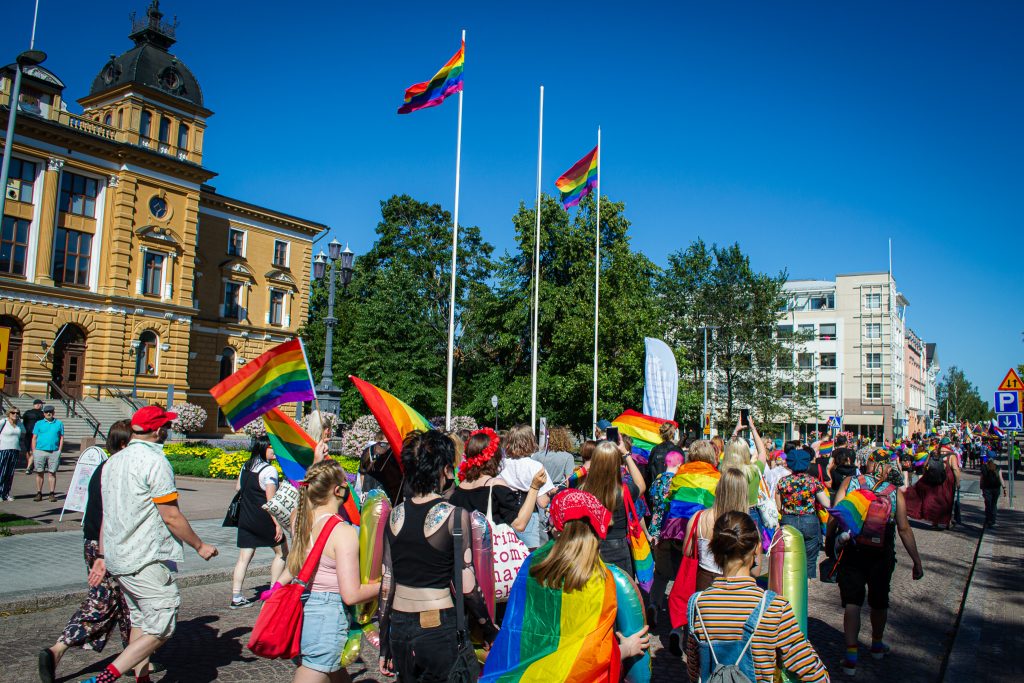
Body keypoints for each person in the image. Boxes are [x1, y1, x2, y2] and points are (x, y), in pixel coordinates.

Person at [79, 406, 218, 683]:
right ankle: (105, 678)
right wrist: (199, 545)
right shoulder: (155, 462)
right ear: (157, 430)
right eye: (165, 425)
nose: (167, 430)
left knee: (140, 620)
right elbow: (171, 515)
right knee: (163, 623)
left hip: (119, 556)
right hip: (144, 557)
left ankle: (142, 679)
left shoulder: (112, 462)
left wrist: (103, 555)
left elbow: (108, 513)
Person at [480, 489, 651, 680]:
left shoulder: (532, 565)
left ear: (555, 527)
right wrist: (625, 649)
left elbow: (516, 635)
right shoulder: (598, 580)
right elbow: (586, 657)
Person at [378, 430, 497, 680]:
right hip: (437, 624)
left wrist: (385, 640)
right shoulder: (454, 517)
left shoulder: (394, 516)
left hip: (400, 625)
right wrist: (487, 627)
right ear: (445, 470)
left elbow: (387, 582)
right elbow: (467, 585)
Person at [40, 421, 151, 683]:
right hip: (109, 546)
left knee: (127, 604)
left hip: (96, 542)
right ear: (125, 444)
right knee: (105, 603)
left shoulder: (106, 467)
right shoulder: (117, 469)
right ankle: (58, 649)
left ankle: (137, 662)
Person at [686, 511, 830, 683]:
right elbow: (813, 672)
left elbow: (694, 671)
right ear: (757, 548)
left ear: (716, 548)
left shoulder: (697, 604)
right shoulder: (774, 607)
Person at [286, 459, 380, 683]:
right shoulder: (342, 531)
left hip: (306, 606)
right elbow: (351, 594)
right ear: (338, 490)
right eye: (346, 485)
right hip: (328, 614)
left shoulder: (300, 520)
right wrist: (386, 583)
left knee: (333, 672)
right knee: (313, 670)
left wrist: (318, 463)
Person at [832, 448, 924, 676]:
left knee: (852, 602)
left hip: (853, 551)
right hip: (881, 553)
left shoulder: (850, 483)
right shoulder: (894, 492)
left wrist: (830, 543)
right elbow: (904, 529)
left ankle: (851, 655)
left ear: (867, 463)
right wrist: (917, 561)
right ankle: (876, 644)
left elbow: (837, 514)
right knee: (879, 600)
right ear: (889, 466)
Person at [229, 437, 288, 610]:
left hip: (246, 517)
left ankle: (236, 596)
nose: (275, 451)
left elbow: (238, 488)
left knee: (243, 558)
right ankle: (273, 592)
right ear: (263, 448)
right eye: (272, 447)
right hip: (264, 518)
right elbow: (271, 501)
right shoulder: (269, 471)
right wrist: (277, 524)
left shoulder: (246, 466)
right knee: (282, 553)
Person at [449, 427, 546, 532]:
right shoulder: (496, 486)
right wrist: (534, 487)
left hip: (467, 547)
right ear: (495, 456)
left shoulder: (458, 489)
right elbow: (519, 524)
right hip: (491, 546)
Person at [582, 439, 646, 576]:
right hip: (619, 548)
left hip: (591, 547)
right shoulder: (625, 491)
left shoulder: (584, 490)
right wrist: (626, 454)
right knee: (620, 593)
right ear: (617, 464)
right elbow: (641, 485)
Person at [774, 448, 831, 579]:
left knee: (789, 555)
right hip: (809, 520)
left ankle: (790, 584)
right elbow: (827, 503)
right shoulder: (813, 481)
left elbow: (778, 506)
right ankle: (806, 585)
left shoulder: (783, 482)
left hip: (788, 521)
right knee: (810, 559)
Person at [498, 425, 555, 549]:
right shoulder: (535, 466)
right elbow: (542, 502)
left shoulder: (501, 464)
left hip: (504, 513)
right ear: (530, 442)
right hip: (528, 516)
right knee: (529, 557)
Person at [647, 450, 684, 625]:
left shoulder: (658, 479)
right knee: (677, 571)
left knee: (659, 571)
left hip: (655, 524)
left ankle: (654, 602)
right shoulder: (677, 482)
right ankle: (675, 607)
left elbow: (651, 497)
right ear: (679, 464)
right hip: (670, 526)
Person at [903, 438, 961, 529]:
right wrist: (958, 482)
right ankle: (947, 522)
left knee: (934, 500)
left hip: (934, 478)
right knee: (947, 501)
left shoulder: (933, 452)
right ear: (949, 444)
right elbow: (955, 469)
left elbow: (925, 465)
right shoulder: (952, 455)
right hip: (947, 481)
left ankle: (935, 523)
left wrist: (928, 474)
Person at [32, 405, 64, 502]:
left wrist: (59, 450)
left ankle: (51, 493)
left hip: (54, 451)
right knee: (39, 472)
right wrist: (34, 451)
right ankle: (39, 493)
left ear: (54, 413)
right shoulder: (39, 423)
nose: (48, 413)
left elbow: (61, 437)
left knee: (52, 472)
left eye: (50, 412)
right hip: (40, 451)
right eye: (46, 412)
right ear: (44, 413)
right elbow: (34, 437)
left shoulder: (59, 423)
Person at [644, 422, 679, 508]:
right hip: (672, 494)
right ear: (673, 434)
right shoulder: (677, 450)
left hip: (656, 493)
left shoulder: (655, 449)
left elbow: (649, 471)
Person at [0, 405, 24, 500]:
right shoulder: (3, 422)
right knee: (2, 472)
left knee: (10, 473)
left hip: (15, 450)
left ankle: (6, 493)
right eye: (13, 413)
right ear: (8, 414)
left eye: (17, 413)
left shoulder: (19, 424)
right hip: (3, 450)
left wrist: (19, 423)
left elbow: (24, 431)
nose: (15, 415)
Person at [979, 459, 1006, 527]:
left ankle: (988, 519)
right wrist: (1004, 488)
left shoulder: (984, 468)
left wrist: (981, 486)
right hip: (996, 488)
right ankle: (993, 520)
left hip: (987, 488)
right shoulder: (998, 468)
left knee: (988, 504)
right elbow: (1001, 478)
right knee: (994, 504)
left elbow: (982, 478)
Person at [22, 398, 44, 473]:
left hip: (27, 433)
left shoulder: (27, 413)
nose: (42, 406)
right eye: (41, 404)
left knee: (28, 450)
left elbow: (24, 422)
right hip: (36, 434)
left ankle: (29, 465)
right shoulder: (42, 414)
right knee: (33, 450)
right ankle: (29, 467)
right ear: (38, 405)